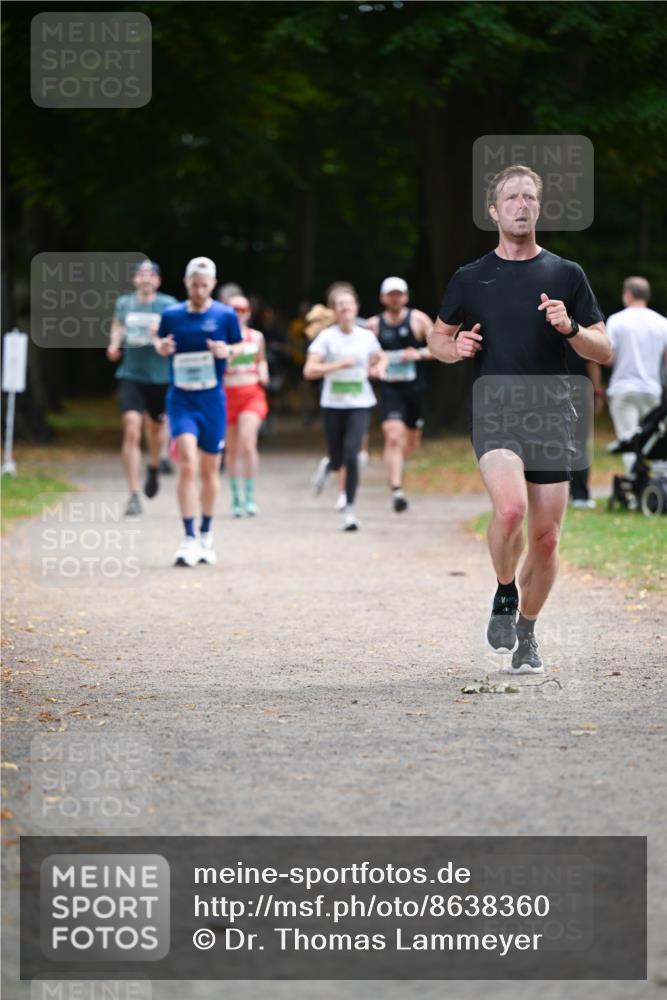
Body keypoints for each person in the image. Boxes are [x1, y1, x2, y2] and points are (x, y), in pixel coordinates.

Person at [429, 164, 611, 674]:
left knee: (547, 538)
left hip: (554, 413)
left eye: (529, 197)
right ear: (494, 211)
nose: (521, 204)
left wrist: (571, 326)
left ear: (539, 207)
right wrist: (455, 347)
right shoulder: (471, 277)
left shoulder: (566, 274)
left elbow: (604, 345)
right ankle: (505, 592)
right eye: (511, 197)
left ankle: (527, 630)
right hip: (497, 410)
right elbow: (437, 339)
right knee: (510, 512)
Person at [156, 257, 242, 566]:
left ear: (213, 285)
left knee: (209, 469)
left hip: (212, 400)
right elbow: (160, 341)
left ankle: (207, 533)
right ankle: (188, 537)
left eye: (205, 285)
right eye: (195, 284)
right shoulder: (172, 314)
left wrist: (227, 351)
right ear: (186, 283)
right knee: (188, 463)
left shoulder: (225, 314)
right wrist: (161, 347)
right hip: (181, 399)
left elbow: (241, 346)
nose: (200, 289)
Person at [304, 289, 385, 531]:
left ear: (356, 308)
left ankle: (349, 510)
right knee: (339, 456)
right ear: (334, 311)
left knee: (352, 455)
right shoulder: (326, 338)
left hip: (359, 403)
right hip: (333, 404)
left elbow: (381, 357)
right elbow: (309, 370)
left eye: (349, 304)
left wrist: (378, 367)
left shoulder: (366, 337)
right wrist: (338, 364)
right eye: (340, 305)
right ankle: (329, 464)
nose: (346, 308)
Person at [107, 261, 177, 516]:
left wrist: (161, 338)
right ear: (135, 279)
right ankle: (134, 494)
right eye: (141, 274)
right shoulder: (125, 303)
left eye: (151, 275)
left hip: (159, 378)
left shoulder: (167, 304)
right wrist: (114, 344)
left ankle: (155, 466)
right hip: (131, 375)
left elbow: (175, 335)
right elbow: (118, 328)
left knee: (156, 432)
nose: (146, 279)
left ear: (158, 281)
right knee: (132, 430)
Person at [366, 277, 434, 512]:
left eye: (399, 294)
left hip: (414, 389)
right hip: (390, 388)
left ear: (405, 296)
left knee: (411, 441)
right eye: (391, 294)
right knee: (393, 436)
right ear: (383, 298)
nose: (395, 298)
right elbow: (362, 357)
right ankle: (397, 490)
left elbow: (439, 348)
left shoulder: (418, 319)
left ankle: (396, 467)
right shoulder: (373, 326)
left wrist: (418, 354)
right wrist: (373, 368)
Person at [606, 276, 667, 475]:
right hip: (652, 389)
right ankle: (660, 481)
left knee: (629, 439)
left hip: (623, 388)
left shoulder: (617, 320)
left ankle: (635, 483)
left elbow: (608, 357)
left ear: (628, 294)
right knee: (655, 438)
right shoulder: (661, 322)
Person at [224, 294, 270, 516]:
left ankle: (250, 495)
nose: (237, 314)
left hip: (251, 393)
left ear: (248, 313)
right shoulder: (220, 338)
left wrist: (263, 372)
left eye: (242, 310)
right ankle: (236, 497)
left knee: (248, 444)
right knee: (232, 449)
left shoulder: (256, 337)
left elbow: (261, 360)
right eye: (233, 310)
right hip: (227, 395)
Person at [564, 341, 604, 509]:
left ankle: (557, 493)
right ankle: (580, 495)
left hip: (550, 389)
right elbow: (592, 362)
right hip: (579, 390)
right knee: (579, 443)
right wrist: (598, 393)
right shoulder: (579, 329)